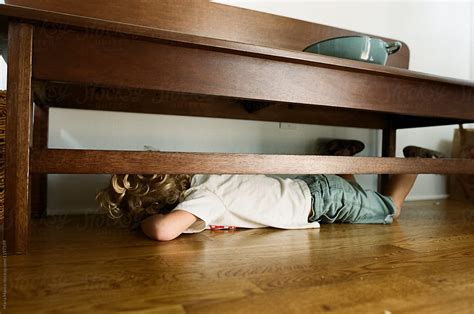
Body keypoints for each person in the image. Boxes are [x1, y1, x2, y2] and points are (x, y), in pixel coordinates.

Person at [96, 140, 445, 241]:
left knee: (389, 209)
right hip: (314, 189)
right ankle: (339, 158)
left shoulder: (201, 200)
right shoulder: (203, 180)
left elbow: (162, 231)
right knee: (349, 194)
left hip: (321, 200)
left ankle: (415, 162)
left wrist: (144, 222)